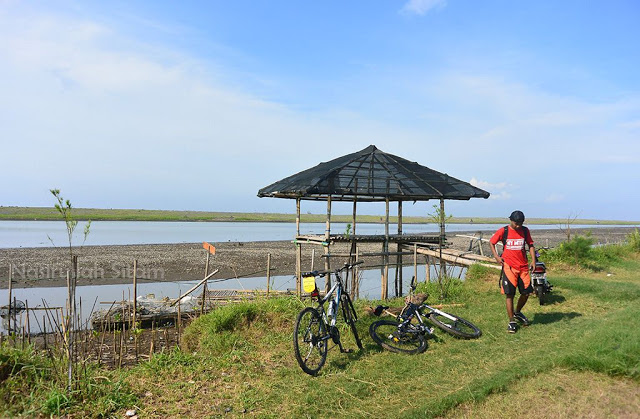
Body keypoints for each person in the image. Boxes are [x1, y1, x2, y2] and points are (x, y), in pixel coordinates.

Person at [489, 210, 536, 333]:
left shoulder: (525, 231)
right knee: (510, 294)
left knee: (526, 293)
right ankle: (511, 321)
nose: (518, 226)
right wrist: (496, 257)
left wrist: (533, 261)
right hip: (509, 267)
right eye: (516, 223)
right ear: (511, 220)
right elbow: (491, 242)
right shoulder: (503, 231)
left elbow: (530, 245)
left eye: (521, 223)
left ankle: (517, 312)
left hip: (523, 267)